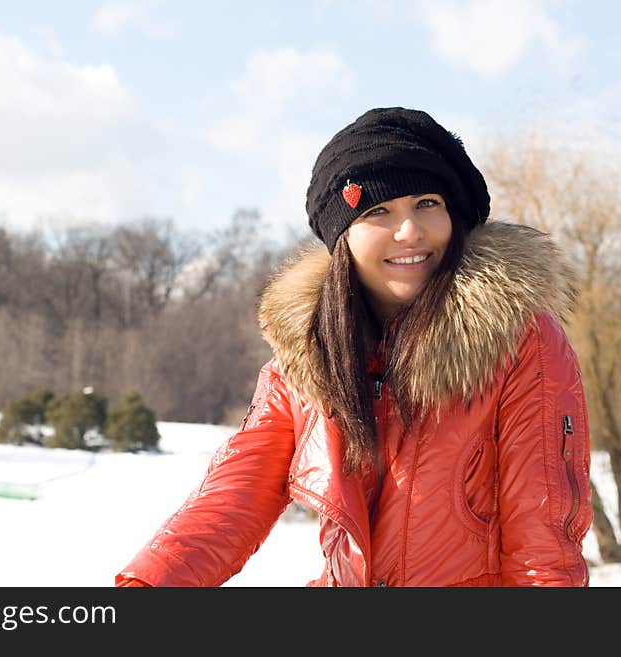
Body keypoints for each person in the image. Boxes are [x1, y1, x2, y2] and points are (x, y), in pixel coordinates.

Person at [115, 107, 593, 587]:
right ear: (342, 238)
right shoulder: (307, 357)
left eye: (427, 203)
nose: (409, 231)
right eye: (377, 211)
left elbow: (543, 545)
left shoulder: (517, 343)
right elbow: (234, 496)